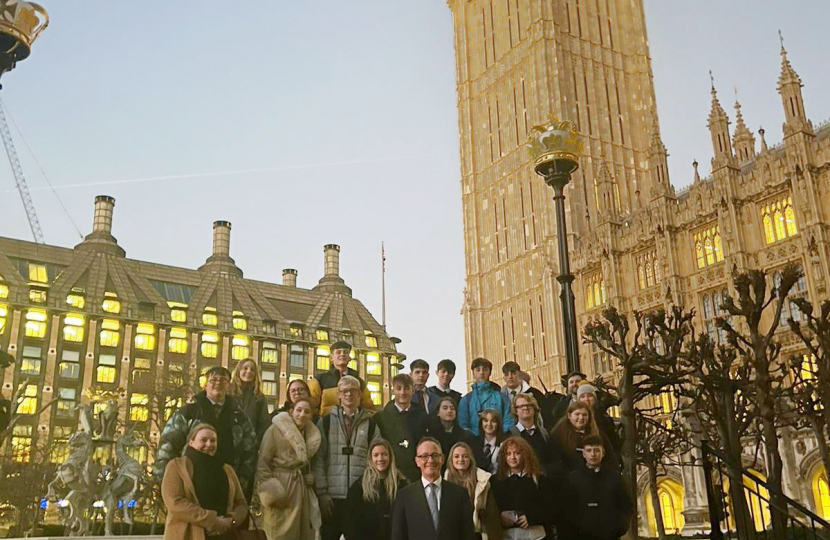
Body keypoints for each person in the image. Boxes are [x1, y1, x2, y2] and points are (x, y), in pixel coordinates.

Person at [154, 366, 258, 500]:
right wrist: (164, 479)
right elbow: (168, 444)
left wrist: (242, 481)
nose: (218, 383)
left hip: (227, 484)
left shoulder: (239, 417)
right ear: (205, 385)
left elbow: (250, 450)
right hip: (191, 483)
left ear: (229, 386)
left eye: (223, 380)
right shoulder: (189, 412)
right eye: (213, 379)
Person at [313, 376, 382, 540]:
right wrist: (322, 493)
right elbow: (319, 459)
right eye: (344, 391)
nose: (349, 394)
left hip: (360, 495)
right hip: (332, 497)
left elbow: (377, 461)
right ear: (338, 395)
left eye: (353, 390)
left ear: (359, 394)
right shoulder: (326, 422)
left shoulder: (370, 424)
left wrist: (370, 488)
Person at [161, 423, 248, 540]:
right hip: (188, 535)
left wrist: (230, 521)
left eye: (213, 440)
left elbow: (241, 503)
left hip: (225, 535)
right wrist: (212, 521)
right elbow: (175, 503)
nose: (209, 444)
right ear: (191, 442)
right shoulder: (177, 466)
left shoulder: (227, 469)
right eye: (203, 440)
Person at [257, 397, 322, 540]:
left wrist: (309, 475)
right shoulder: (275, 430)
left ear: (311, 415)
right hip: (281, 484)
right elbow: (263, 463)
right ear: (291, 411)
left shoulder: (311, 434)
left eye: (307, 411)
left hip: (300, 487)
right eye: (298, 410)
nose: (302, 414)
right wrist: (273, 492)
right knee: (278, 531)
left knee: (300, 532)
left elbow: (308, 461)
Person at [390, 437, 476, 540]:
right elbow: (398, 536)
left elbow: (468, 535)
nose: (430, 460)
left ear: (442, 459)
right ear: (417, 461)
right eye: (424, 456)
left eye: (435, 455)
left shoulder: (460, 494)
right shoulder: (405, 496)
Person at [489, 437, 556, 540]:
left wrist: (531, 517)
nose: (512, 457)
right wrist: (500, 516)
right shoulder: (495, 481)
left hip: (535, 535)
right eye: (508, 454)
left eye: (517, 453)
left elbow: (550, 508)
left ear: (525, 454)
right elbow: (489, 510)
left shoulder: (539, 479)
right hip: (506, 536)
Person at [566, 436, 632, 540]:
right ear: (583, 454)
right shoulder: (573, 479)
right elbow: (568, 509)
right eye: (589, 450)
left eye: (596, 450)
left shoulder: (615, 477)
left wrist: (620, 528)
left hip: (610, 535)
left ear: (603, 453)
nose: (593, 454)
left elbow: (626, 506)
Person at [343, 439, 409, 540]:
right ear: (370, 458)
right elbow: (350, 522)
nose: (380, 458)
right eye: (376, 455)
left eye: (384, 454)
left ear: (390, 456)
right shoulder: (359, 486)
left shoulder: (402, 484)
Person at [376, 374, 429, 482]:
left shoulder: (423, 417)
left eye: (406, 388)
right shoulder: (380, 418)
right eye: (398, 388)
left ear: (413, 390)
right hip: (390, 475)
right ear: (393, 390)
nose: (402, 393)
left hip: (416, 474)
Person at [444, 442, 502, 540]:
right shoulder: (445, 480)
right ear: (451, 459)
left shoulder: (483, 480)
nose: (460, 460)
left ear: (470, 459)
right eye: (456, 456)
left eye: (465, 456)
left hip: (476, 533)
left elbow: (492, 516)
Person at [308, 341, 375, 416]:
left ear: (349, 358)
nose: (342, 354)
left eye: (345, 352)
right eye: (338, 352)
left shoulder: (359, 382)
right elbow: (310, 406)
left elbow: (368, 407)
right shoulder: (319, 380)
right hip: (328, 424)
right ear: (331, 357)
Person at [550, 401, 618, 472]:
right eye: (577, 414)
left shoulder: (598, 435)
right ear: (569, 416)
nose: (581, 417)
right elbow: (554, 461)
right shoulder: (558, 435)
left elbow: (611, 459)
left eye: (584, 415)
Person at [458, 358, 514, 436]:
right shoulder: (466, 400)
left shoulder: (502, 397)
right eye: (478, 370)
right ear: (473, 373)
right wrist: (474, 438)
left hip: (499, 442)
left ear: (490, 372)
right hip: (474, 443)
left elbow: (508, 420)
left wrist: (499, 437)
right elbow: (463, 424)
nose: (481, 373)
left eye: (485, 369)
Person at [575, 383, 622, 459]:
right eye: (583, 397)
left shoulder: (603, 416)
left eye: (589, 396)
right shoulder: (574, 418)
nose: (586, 399)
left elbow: (613, 439)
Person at [230, 359, 271, 445]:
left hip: (250, 445)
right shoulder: (228, 393)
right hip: (229, 442)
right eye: (245, 368)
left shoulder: (259, 397)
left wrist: (256, 442)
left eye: (252, 369)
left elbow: (264, 424)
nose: (249, 371)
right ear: (238, 371)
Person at [507, 393, 551, 467]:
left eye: (529, 405)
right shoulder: (510, 434)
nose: (525, 408)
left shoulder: (544, 433)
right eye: (521, 406)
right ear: (516, 411)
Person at [500, 362, 546, 428]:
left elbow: (543, 416)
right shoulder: (499, 396)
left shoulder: (535, 394)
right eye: (506, 374)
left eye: (513, 373)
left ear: (519, 374)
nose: (510, 377)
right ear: (504, 377)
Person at [471, 409, 505, 475]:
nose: (489, 424)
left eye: (493, 421)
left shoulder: (504, 444)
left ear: (498, 424)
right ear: (481, 423)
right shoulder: (473, 442)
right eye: (485, 421)